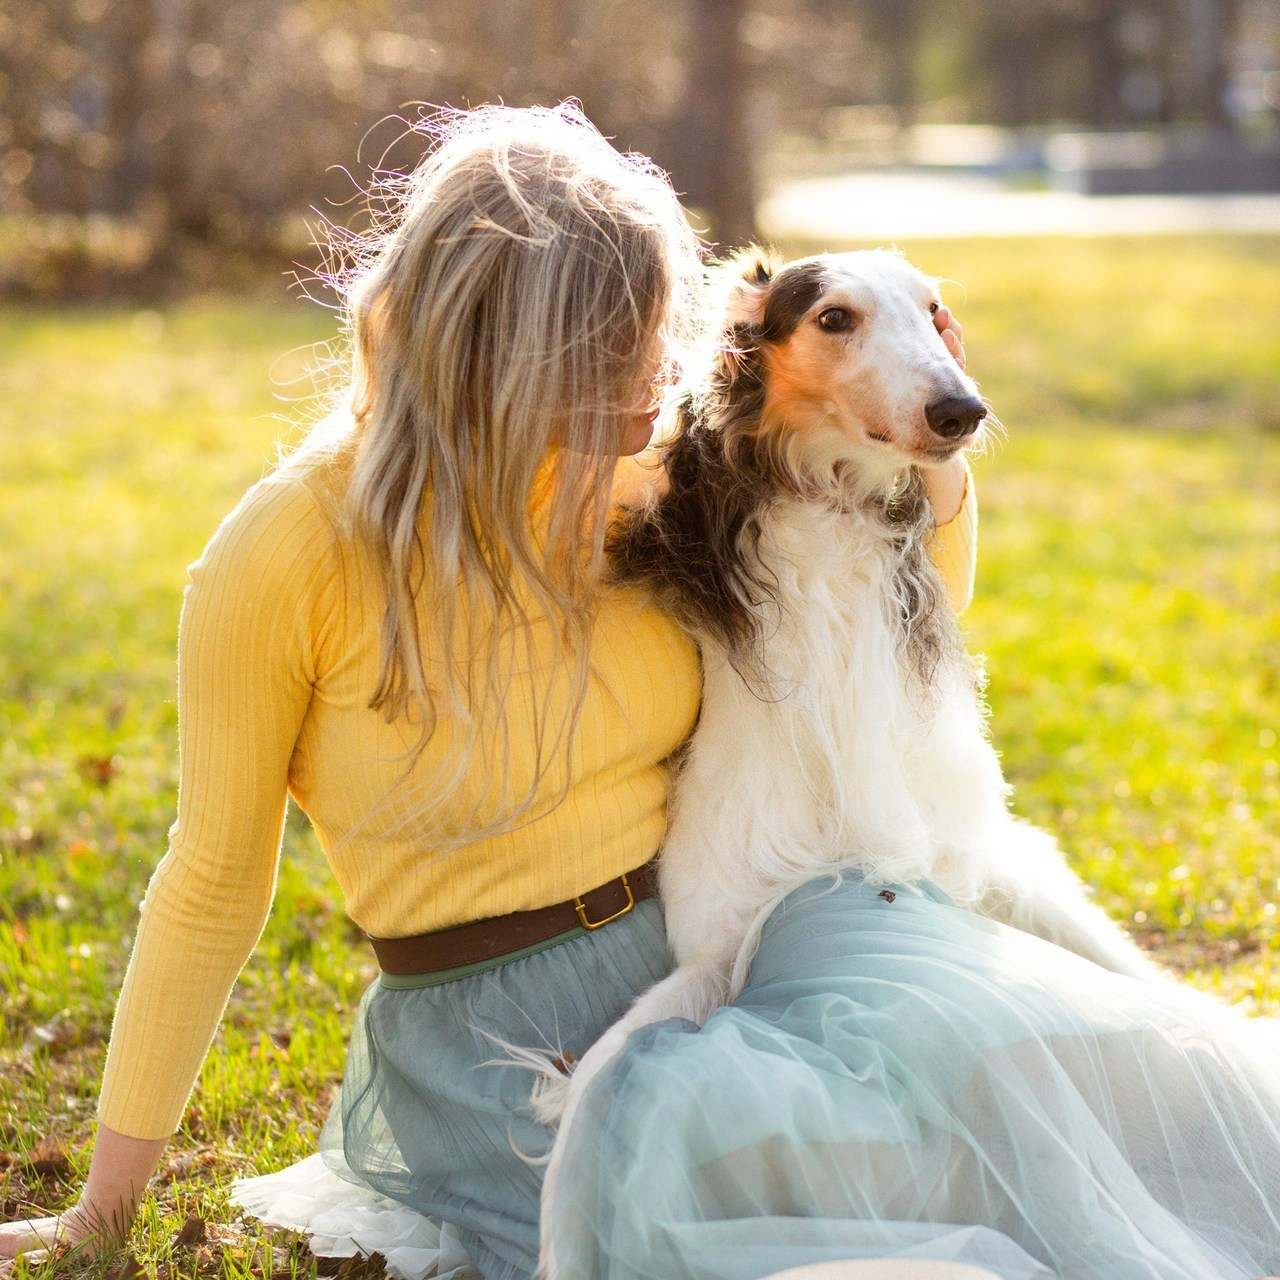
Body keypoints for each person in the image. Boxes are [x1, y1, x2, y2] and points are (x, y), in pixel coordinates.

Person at [2, 103, 1275, 1280]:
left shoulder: (641, 477)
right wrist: (102, 1205)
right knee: (871, 1220)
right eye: (610, 348)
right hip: (506, 1037)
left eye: (659, 334)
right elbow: (214, 878)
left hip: (735, 950)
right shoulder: (289, 549)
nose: (657, 377)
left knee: (1082, 1105)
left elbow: (901, 595)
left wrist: (924, 423)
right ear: (492, 346)